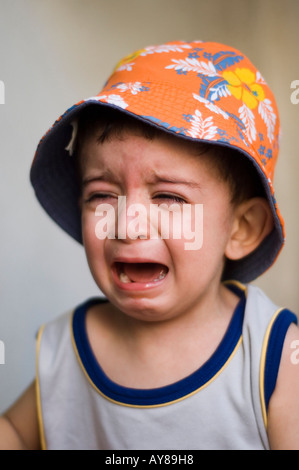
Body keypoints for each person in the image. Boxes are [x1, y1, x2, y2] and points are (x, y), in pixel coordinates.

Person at [0, 40, 298, 450]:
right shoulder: (68, 349)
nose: (128, 223)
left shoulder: (274, 355)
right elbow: (14, 433)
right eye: (102, 194)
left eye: (169, 198)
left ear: (240, 228)